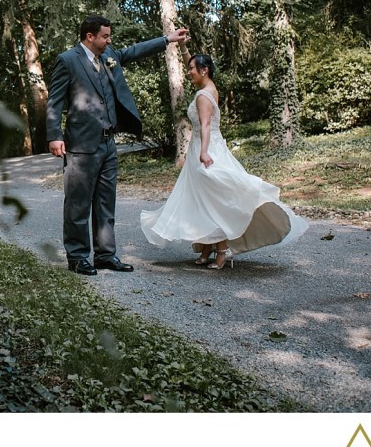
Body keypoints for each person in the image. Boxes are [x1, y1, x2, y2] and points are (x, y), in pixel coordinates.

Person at [46, 15, 189, 275]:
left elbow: (133, 51)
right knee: (78, 204)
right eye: (105, 36)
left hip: (108, 143)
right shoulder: (67, 61)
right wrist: (54, 135)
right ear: (90, 37)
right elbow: (54, 101)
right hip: (80, 146)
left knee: (105, 202)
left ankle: (105, 255)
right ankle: (78, 257)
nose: (109, 40)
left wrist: (167, 39)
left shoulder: (108, 55)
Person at [140, 53, 308, 269]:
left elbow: (206, 125)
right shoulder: (210, 88)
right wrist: (182, 46)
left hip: (206, 148)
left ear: (204, 70)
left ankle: (221, 251)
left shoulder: (203, 95)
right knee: (201, 198)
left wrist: (204, 152)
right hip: (207, 146)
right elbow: (193, 63)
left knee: (214, 200)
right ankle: (207, 248)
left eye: (192, 68)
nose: (189, 71)